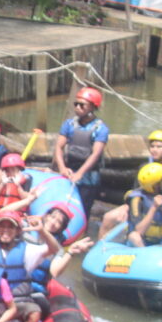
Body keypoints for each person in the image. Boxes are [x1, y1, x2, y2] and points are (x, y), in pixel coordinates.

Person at [0, 212, 61, 322]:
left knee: (34, 313)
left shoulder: (28, 250)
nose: (6, 230)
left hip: (18, 301)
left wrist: (42, 231)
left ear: (18, 231)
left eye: (10, 227)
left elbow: (54, 249)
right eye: (2, 226)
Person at [54, 86, 109, 221]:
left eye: (82, 105)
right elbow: (59, 146)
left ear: (92, 107)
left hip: (88, 177)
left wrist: (80, 173)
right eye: (76, 104)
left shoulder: (100, 129)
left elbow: (95, 154)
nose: (77, 107)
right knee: (61, 208)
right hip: (69, 171)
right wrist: (61, 168)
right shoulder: (69, 124)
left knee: (83, 211)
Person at [125, 162, 162, 248]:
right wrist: (154, 207)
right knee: (134, 237)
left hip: (161, 239)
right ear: (155, 184)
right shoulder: (137, 199)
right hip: (143, 239)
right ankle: (145, 258)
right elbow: (139, 231)